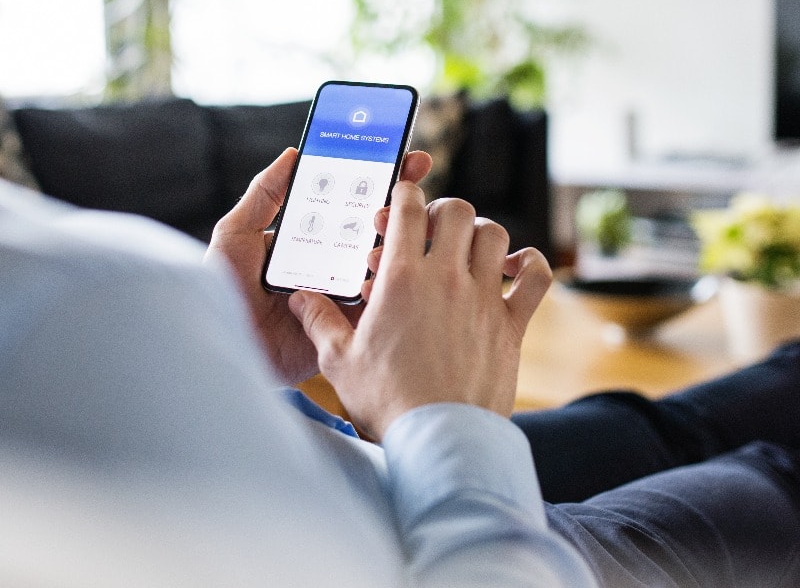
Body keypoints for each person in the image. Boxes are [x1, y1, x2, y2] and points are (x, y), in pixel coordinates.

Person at [0, 148, 798, 587]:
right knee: (771, 479)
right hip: (488, 552)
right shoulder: (75, 297)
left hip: (356, 468)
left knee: (670, 421)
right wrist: (449, 418)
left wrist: (234, 357)